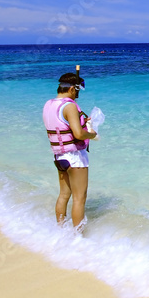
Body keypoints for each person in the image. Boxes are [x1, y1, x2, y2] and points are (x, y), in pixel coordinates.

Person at [42, 72, 97, 230]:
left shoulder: (49, 104)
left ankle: (60, 229)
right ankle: (77, 237)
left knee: (64, 195)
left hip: (59, 156)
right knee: (79, 198)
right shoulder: (70, 106)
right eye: (77, 92)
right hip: (75, 157)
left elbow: (61, 124)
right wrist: (91, 134)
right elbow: (78, 134)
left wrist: (81, 121)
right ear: (72, 89)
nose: (77, 96)